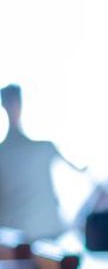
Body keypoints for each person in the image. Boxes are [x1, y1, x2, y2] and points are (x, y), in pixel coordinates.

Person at [0, 84, 83, 240]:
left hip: (45, 236)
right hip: (15, 239)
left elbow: (81, 173)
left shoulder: (45, 148)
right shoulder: (44, 148)